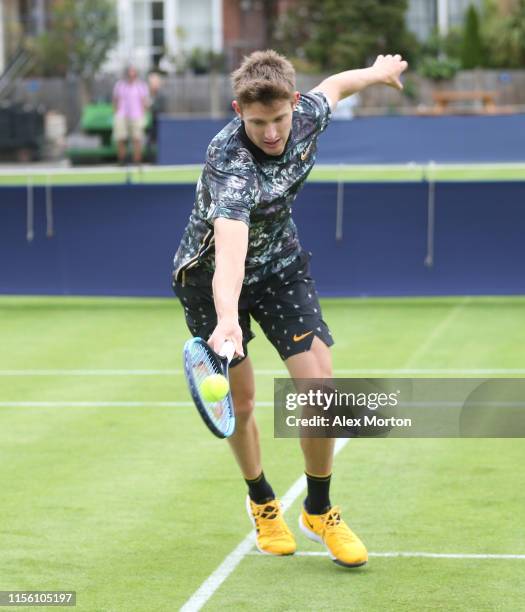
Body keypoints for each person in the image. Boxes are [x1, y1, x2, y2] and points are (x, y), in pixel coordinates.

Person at [172, 50, 407, 567]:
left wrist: (378, 73)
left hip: (279, 265)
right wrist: (228, 321)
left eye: (279, 118)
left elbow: (338, 85)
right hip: (212, 279)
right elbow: (230, 254)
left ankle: (319, 511)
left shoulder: (306, 115)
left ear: (293, 105)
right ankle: (262, 501)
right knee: (244, 401)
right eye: (258, 122)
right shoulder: (229, 162)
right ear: (238, 111)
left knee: (320, 391)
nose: (272, 132)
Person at [112, 66, 149, 165]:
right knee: (121, 138)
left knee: (137, 139)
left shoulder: (141, 86)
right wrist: (116, 111)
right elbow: (115, 100)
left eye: (133, 73)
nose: (131, 75)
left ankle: (137, 161)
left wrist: (143, 113)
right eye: (129, 73)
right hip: (122, 115)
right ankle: (121, 161)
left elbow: (144, 101)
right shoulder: (119, 85)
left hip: (136, 115)